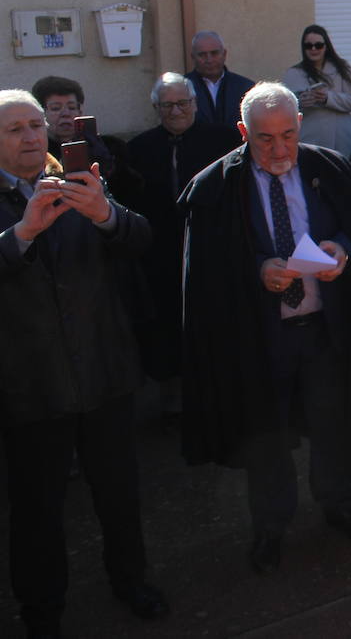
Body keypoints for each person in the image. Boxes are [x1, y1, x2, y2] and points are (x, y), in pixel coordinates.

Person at [179, 83, 351, 575]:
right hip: (258, 338)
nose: (279, 150)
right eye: (264, 139)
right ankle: (271, 526)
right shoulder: (216, 186)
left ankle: (338, 504)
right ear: (242, 133)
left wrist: (342, 249)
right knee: (266, 433)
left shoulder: (326, 167)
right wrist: (257, 268)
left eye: (288, 136)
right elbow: (207, 268)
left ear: (300, 127)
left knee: (331, 420)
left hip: (322, 328)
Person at [0, 89, 168, 637]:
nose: (29, 137)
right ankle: (41, 609)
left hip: (104, 373)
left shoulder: (78, 181)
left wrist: (105, 214)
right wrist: (22, 232)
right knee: (37, 509)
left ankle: (131, 581)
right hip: (30, 385)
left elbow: (141, 239)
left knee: (118, 494)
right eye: (14, 129)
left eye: (33, 125)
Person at [125, 73, 240, 393]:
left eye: (182, 103)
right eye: (167, 105)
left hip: (212, 249)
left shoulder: (224, 141)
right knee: (167, 325)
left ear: (195, 104)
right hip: (160, 253)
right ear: (156, 107)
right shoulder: (139, 148)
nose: (175, 111)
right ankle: (173, 400)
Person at [31, 74, 142, 206]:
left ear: (80, 111)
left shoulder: (111, 146)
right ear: (41, 113)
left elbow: (135, 193)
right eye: (56, 108)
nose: (66, 113)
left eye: (72, 107)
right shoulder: (37, 152)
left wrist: (111, 170)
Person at [282, 24, 351, 154]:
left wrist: (327, 98)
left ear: (326, 46)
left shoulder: (342, 69)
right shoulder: (294, 73)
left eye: (318, 45)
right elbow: (284, 109)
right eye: (309, 46)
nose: (314, 49)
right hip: (310, 141)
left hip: (340, 142)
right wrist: (299, 102)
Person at [186, 30, 255, 126]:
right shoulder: (182, 89)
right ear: (193, 57)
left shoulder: (246, 88)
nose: (209, 60)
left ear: (224, 54)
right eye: (202, 55)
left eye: (214, 53)